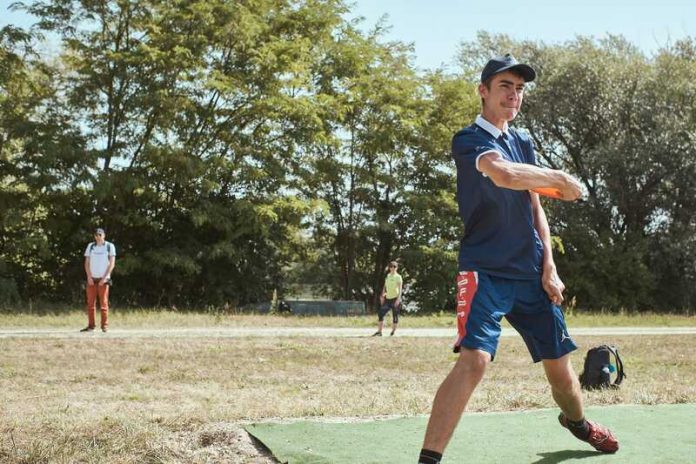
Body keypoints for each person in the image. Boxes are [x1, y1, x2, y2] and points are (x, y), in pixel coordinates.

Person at [417, 54, 618, 464]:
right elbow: (506, 175)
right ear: (484, 91)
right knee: (474, 362)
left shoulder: (521, 141)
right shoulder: (469, 140)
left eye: (520, 88)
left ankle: (578, 424)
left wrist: (550, 266)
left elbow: (534, 207)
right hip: (484, 271)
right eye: (505, 86)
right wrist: (561, 180)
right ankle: (428, 460)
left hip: (531, 274)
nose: (514, 94)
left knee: (561, 375)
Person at [80, 227, 116, 333]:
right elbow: (86, 263)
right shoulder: (90, 246)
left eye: (100, 235)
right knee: (91, 304)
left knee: (104, 304)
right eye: (96, 235)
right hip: (92, 279)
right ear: (94, 236)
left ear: (104, 235)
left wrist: (104, 278)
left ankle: (104, 326)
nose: (98, 237)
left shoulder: (110, 246)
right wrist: (89, 277)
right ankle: (91, 326)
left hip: (104, 280)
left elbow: (112, 264)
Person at [372, 261, 402, 336]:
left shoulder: (398, 277)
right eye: (391, 267)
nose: (393, 268)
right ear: (389, 268)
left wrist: (398, 299)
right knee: (380, 314)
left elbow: (400, 288)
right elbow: (385, 287)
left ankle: (393, 332)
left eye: (394, 267)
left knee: (395, 316)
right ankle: (379, 331)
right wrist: (382, 295)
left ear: (397, 268)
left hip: (395, 298)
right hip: (388, 299)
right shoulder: (388, 276)